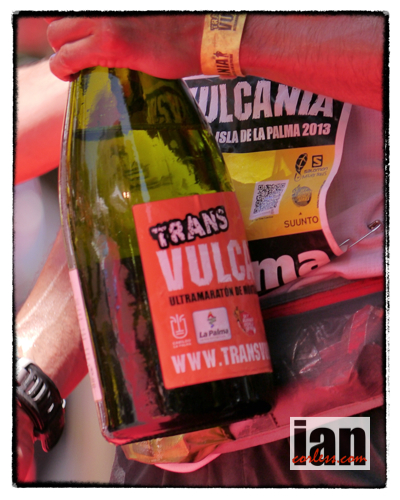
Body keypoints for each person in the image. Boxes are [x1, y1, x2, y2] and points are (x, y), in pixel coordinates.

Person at [15, 13, 386, 486]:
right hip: (175, 442)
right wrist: (24, 388)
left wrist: (210, 33)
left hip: (350, 412)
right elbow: (119, 220)